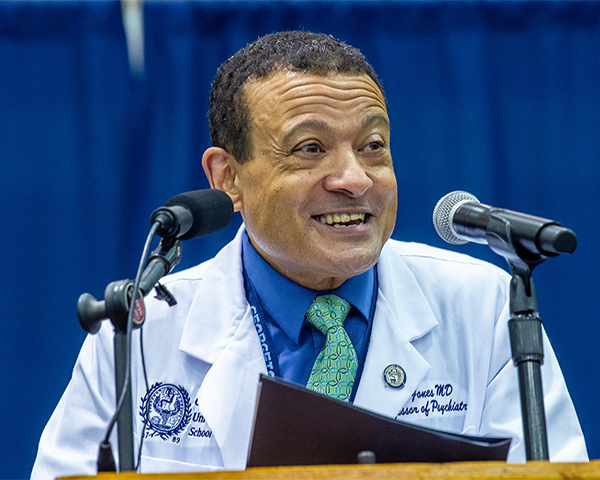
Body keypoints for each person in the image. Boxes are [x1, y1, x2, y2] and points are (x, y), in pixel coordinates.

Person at [31, 31, 588, 478]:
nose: (353, 178)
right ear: (228, 177)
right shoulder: (142, 330)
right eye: (310, 149)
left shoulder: (482, 304)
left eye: (373, 146)